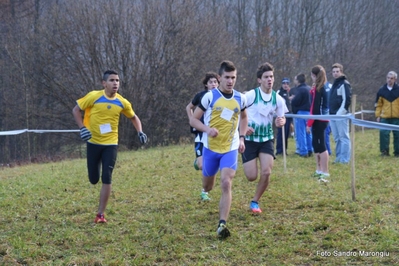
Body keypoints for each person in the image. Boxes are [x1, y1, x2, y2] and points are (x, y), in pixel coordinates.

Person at [72, 70, 147, 224]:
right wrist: (82, 128)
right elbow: (75, 110)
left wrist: (140, 131)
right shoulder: (94, 96)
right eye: (112, 80)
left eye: (117, 81)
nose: (115, 83)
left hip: (111, 144)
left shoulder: (122, 102)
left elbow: (133, 117)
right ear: (104, 83)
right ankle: (96, 166)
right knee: (93, 179)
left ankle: (100, 214)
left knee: (107, 176)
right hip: (93, 143)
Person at [190, 60, 248, 239]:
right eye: (227, 77)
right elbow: (194, 120)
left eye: (233, 78)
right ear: (219, 77)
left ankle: (222, 224)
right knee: (208, 186)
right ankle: (202, 170)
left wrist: (242, 137)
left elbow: (244, 118)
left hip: (230, 148)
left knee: (226, 182)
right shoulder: (210, 97)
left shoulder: (241, 98)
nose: (230, 81)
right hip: (210, 148)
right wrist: (207, 130)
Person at [242, 62, 287, 213]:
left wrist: (281, 121)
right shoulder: (250, 95)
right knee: (251, 176)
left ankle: (255, 201)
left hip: (267, 139)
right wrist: (242, 128)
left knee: (267, 172)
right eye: (266, 77)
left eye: (271, 77)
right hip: (249, 139)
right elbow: (236, 113)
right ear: (259, 80)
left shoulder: (278, 99)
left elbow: (281, 119)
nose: (269, 80)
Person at [186, 72, 219, 171]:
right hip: (201, 132)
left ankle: (207, 185)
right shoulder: (201, 96)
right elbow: (188, 107)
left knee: (211, 164)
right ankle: (199, 162)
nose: (213, 84)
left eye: (215, 82)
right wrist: (192, 120)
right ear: (206, 84)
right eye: (210, 82)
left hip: (215, 132)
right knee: (201, 166)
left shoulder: (221, 96)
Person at [306, 65, 330, 182]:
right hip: (318, 119)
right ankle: (318, 169)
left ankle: (325, 171)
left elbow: (315, 108)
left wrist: (309, 123)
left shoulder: (321, 88)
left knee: (321, 146)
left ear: (314, 75)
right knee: (315, 144)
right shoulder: (317, 87)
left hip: (320, 120)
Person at [330, 63, 352, 164]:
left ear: (341, 72)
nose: (335, 73)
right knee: (337, 138)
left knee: (344, 137)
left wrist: (340, 113)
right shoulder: (334, 84)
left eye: (337, 71)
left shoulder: (345, 83)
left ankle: (345, 159)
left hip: (341, 115)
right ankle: (339, 157)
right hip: (332, 114)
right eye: (334, 72)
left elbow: (347, 100)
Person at [375, 71, 399, 156]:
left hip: (397, 117)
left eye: (391, 78)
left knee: (398, 135)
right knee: (383, 134)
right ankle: (384, 152)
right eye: (388, 78)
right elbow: (378, 104)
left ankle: (397, 152)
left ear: (395, 79)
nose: (389, 80)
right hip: (385, 117)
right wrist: (378, 115)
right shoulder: (381, 90)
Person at [291, 73, 313, 157]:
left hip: (301, 113)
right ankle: (310, 149)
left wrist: (293, 100)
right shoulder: (309, 88)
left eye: (295, 79)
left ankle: (303, 151)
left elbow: (295, 101)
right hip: (309, 113)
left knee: (301, 133)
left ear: (298, 81)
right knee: (308, 132)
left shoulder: (301, 90)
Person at [275, 77, 292, 156]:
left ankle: (284, 150)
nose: (285, 85)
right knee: (280, 133)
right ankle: (279, 150)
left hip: (288, 116)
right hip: (281, 116)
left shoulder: (289, 92)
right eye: (284, 83)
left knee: (286, 134)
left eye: (287, 83)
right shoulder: (279, 92)